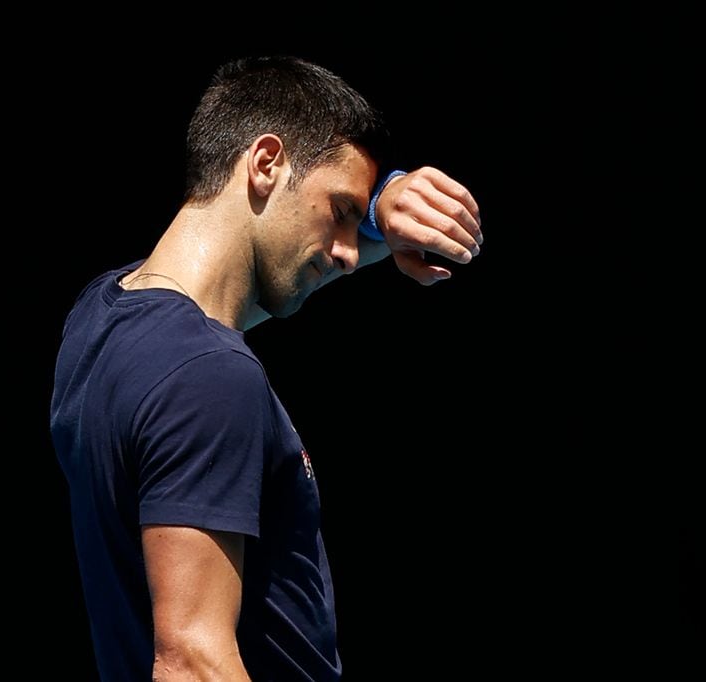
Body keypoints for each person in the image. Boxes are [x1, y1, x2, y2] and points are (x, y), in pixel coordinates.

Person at [50, 55, 482, 681]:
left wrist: (379, 203)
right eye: (339, 211)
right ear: (265, 162)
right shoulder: (209, 375)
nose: (345, 252)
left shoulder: (103, 313)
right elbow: (193, 663)